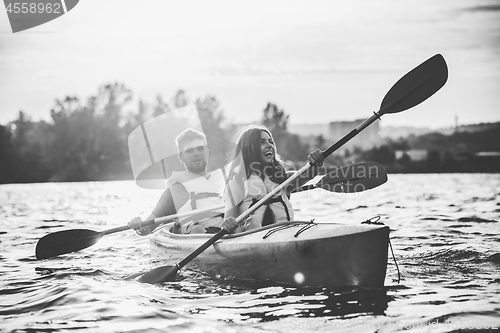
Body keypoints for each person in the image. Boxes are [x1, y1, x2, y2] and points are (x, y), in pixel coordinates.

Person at [222, 125, 324, 233]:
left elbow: (308, 174)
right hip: (252, 240)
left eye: (270, 141)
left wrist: (316, 163)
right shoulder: (236, 185)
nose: (269, 145)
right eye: (262, 142)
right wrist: (228, 224)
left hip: (286, 235)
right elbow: (228, 223)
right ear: (249, 149)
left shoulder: (283, 180)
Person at [128, 128, 230, 235]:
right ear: (181, 157)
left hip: (227, 234)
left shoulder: (226, 182)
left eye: (200, 148)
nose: (196, 154)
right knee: (197, 229)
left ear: (207, 152)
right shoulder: (175, 190)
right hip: (196, 237)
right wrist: (139, 225)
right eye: (189, 151)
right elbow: (146, 229)